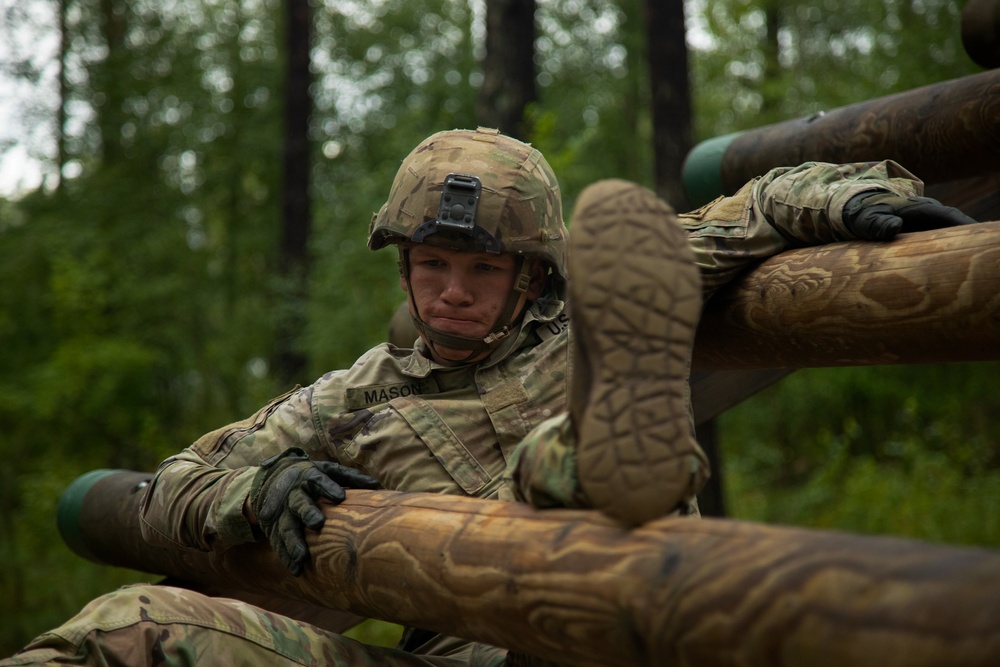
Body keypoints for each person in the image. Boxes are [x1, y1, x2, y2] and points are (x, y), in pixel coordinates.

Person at [1, 127, 976, 666]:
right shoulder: (357, 399)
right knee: (127, 623)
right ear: (403, 271)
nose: (451, 289)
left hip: (613, 613)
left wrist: (847, 196)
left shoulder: (593, 309)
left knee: (556, 461)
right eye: (431, 264)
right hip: (466, 659)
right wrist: (252, 496)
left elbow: (746, 210)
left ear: (534, 274)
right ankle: (591, 458)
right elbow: (175, 484)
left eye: (479, 266)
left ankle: (593, 457)